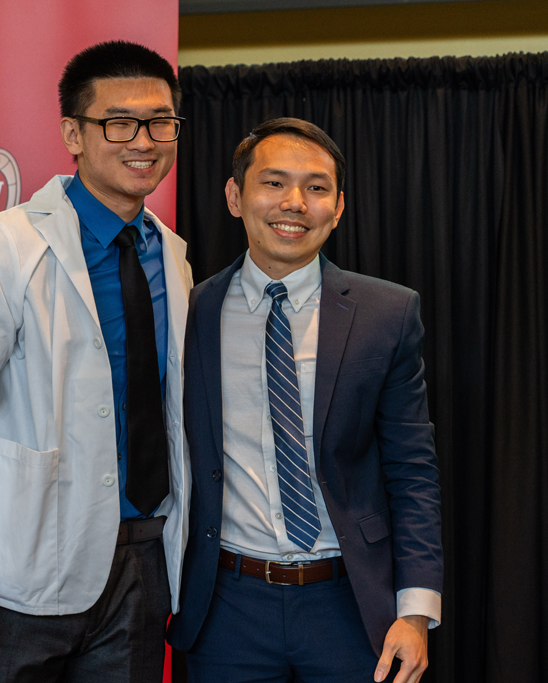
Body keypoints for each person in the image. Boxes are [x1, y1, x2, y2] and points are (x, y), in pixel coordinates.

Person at [0, 40, 193, 683]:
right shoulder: (2, 245)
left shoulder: (170, 255)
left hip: (142, 563)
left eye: (160, 122)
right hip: (18, 568)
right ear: (74, 132)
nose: (142, 140)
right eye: (118, 122)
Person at [166, 118, 443, 683]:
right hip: (225, 607)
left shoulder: (385, 314)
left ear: (338, 207)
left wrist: (415, 612)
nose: (294, 203)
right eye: (273, 183)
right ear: (234, 196)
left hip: (351, 604)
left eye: (316, 188)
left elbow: (413, 469)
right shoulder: (187, 312)